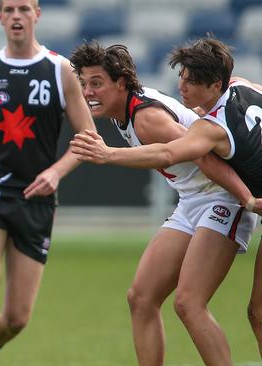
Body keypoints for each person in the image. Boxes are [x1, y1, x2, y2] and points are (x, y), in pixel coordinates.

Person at [71, 37, 262, 364]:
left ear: (120, 83)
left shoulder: (147, 118)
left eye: (97, 83)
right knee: (141, 297)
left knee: (189, 303)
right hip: (193, 200)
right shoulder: (128, 109)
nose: (88, 92)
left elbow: (201, 158)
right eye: (84, 83)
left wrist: (246, 198)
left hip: (222, 198)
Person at [0, 1, 96, 364]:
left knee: (16, 318)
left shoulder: (61, 71)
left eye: (24, 8)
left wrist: (56, 171)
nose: (16, 16)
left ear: (37, 15)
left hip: (37, 198)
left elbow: (88, 136)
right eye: (8, 9)